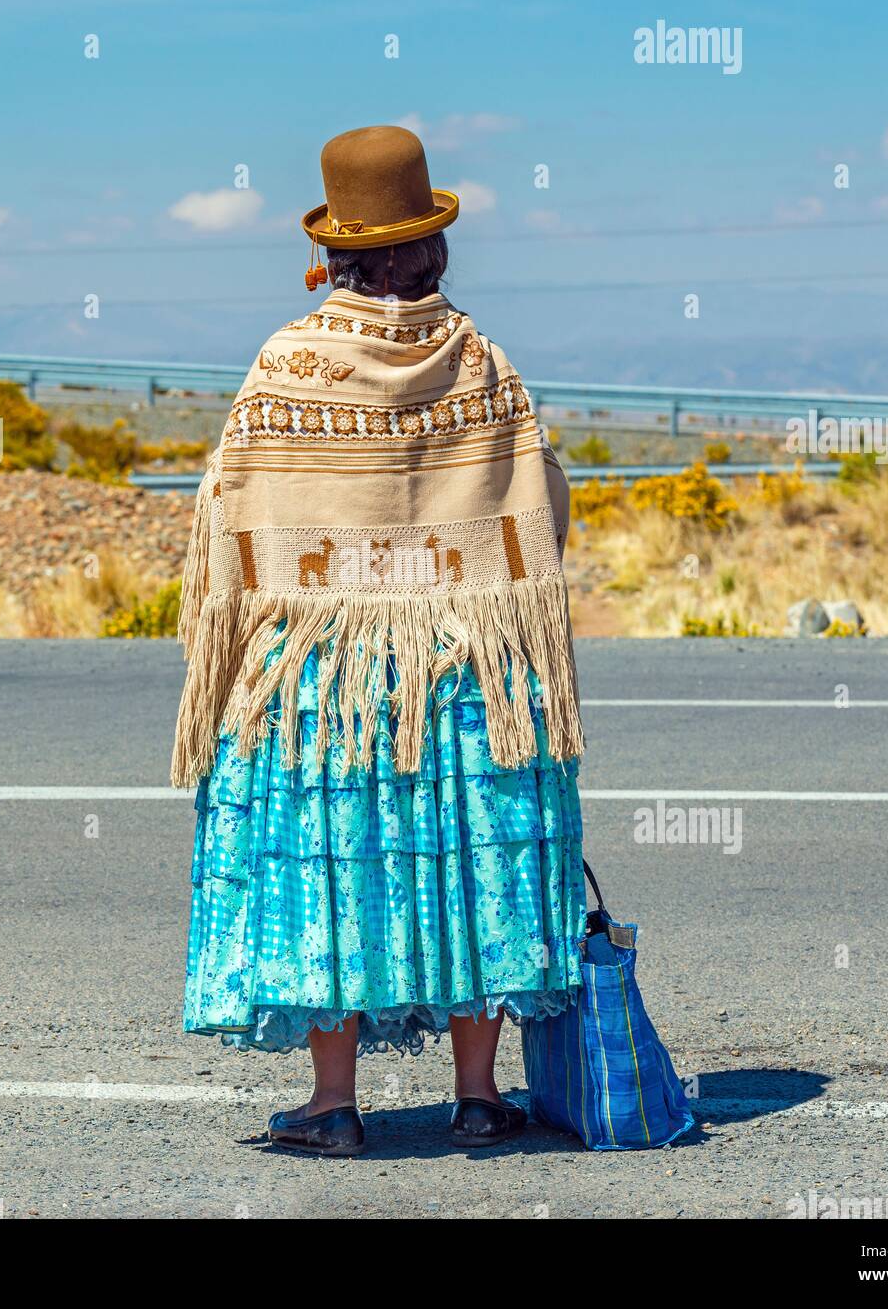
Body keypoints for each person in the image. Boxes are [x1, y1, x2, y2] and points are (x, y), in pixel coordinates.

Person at [173, 124, 584, 1156]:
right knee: (465, 858)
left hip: (326, 676)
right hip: (465, 666)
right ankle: (482, 1094)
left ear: (336, 251)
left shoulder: (288, 363)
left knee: (333, 864)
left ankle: (334, 1104)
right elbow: (543, 504)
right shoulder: (484, 360)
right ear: (432, 243)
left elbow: (232, 509)